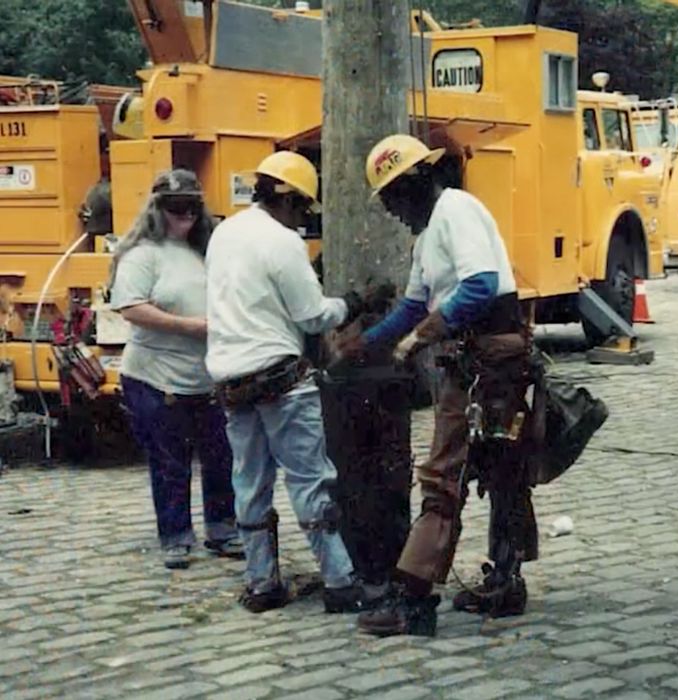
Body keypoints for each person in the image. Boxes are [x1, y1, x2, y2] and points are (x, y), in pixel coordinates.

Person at [337, 134, 539, 636]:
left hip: (489, 361)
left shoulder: (456, 210)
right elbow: (413, 303)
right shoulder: (428, 235)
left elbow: (480, 286)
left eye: (392, 200)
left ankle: (414, 600)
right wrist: (371, 344)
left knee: (444, 475)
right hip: (476, 361)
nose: (393, 213)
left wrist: (419, 338)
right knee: (500, 470)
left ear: (415, 183)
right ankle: (506, 582)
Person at [205, 151, 370, 614]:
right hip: (280, 380)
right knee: (310, 482)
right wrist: (353, 304)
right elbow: (314, 316)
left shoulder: (224, 233)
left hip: (232, 380)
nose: (301, 221)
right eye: (302, 210)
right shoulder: (282, 242)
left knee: (250, 483)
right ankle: (340, 581)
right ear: (291, 201)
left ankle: (261, 583)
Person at [109, 169, 241, 570]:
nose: (184, 215)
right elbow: (130, 306)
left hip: (207, 374)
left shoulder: (207, 250)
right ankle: (176, 535)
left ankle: (222, 528)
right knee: (170, 461)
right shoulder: (143, 254)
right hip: (155, 375)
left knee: (220, 454)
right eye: (175, 208)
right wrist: (191, 327)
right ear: (158, 210)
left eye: (191, 207)